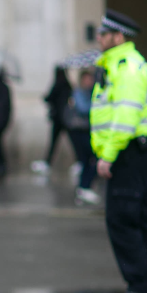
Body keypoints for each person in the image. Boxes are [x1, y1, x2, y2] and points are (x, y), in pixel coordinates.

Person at [91, 10, 147, 293]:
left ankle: (140, 287)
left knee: (123, 220)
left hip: (128, 152)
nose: (99, 38)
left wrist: (107, 156)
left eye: (103, 34)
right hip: (133, 151)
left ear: (117, 37)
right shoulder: (116, 67)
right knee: (139, 220)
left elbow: (125, 117)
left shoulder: (127, 68)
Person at [64, 69, 99, 205]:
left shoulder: (91, 92)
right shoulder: (78, 92)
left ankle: (84, 187)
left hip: (86, 129)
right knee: (87, 158)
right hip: (78, 130)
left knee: (87, 159)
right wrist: (97, 105)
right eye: (86, 79)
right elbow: (84, 109)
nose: (89, 82)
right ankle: (84, 187)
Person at [35, 67, 73, 174]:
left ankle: (47, 162)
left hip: (58, 118)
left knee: (54, 142)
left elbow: (49, 97)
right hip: (65, 117)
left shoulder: (58, 83)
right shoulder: (67, 84)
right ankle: (79, 161)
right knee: (71, 141)